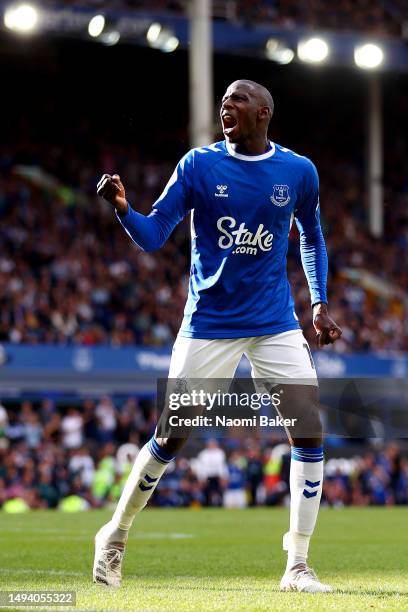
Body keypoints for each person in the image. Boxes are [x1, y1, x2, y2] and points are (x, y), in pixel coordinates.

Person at [93, 79, 342, 592]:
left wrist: (318, 302)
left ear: (263, 114)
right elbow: (153, 233)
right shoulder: (199, 165)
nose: (226, 106)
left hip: (274, 322)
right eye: (224, 100)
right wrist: (123, 209)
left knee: (310, 431)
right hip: (209, 323)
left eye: (238, 100)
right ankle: (114, 536)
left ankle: (297, 563)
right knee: (171, 437)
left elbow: (311, 237)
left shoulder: (298, 171)